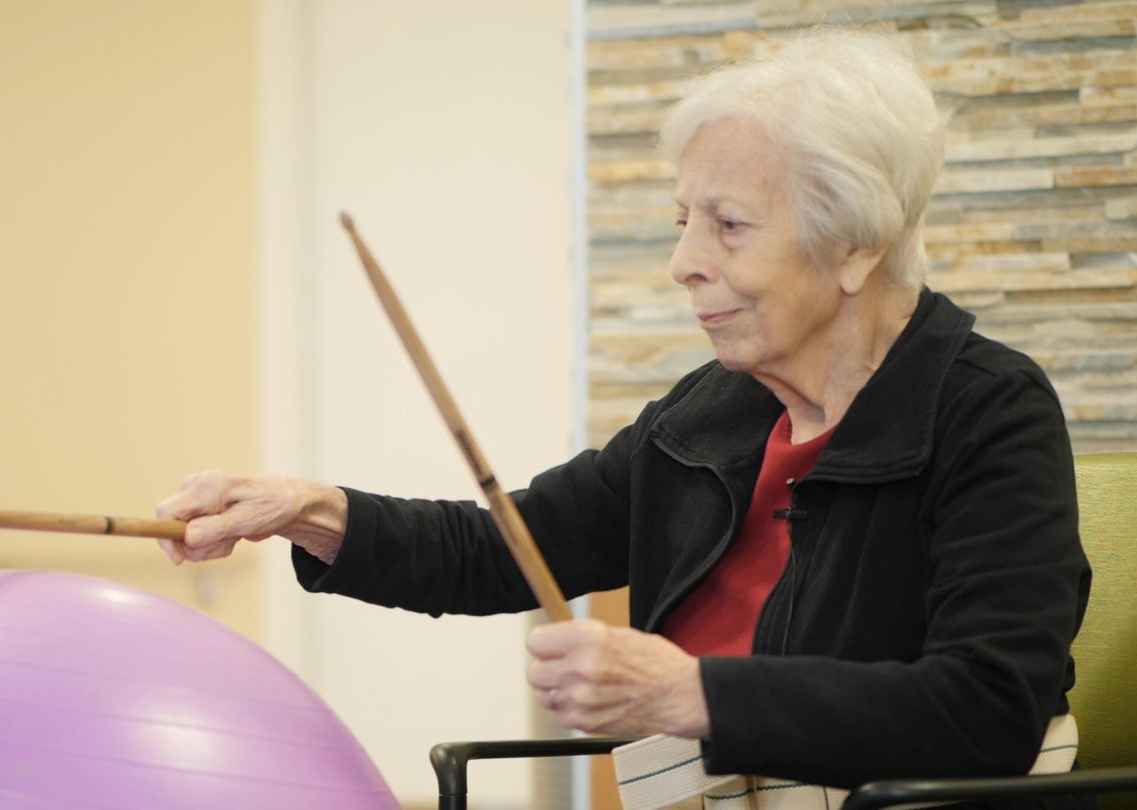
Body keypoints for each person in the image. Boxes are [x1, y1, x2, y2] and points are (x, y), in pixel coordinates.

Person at [154, 28, 1091, 798]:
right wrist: (308, 511)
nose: (684, 260)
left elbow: (985, 710)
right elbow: (501, 549)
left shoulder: (987, 412)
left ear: (856, 244)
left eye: (727, 223)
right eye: (683, 218)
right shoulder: (712, 414)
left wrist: (694, 694)